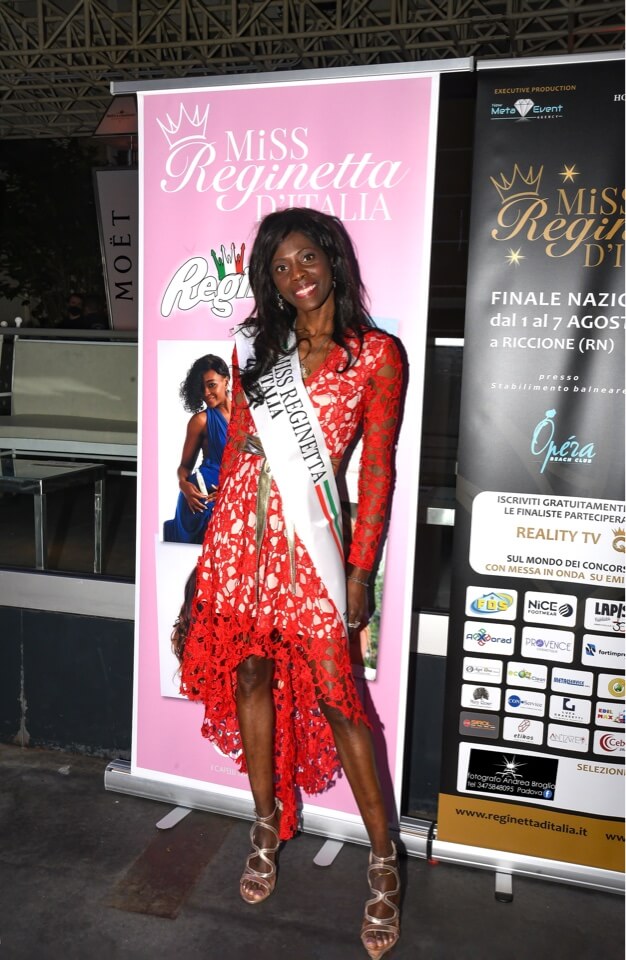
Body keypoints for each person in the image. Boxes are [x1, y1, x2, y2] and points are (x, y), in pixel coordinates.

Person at [175, 208, 404, 960]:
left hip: (311, 548)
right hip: (240, 538)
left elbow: (377, 473)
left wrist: (361, 572)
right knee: (249, 677)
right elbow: (238, 449)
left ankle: (383, 858)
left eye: (306, 258)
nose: (296, 275)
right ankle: (265, 826)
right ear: (268, 282)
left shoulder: (376, 356)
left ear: (332, 259)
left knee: (341, 698)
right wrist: (209, 558)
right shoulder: (259, 353)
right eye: (279, 267)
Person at [163, 355, 231, 544]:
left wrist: (230, 491)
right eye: (201, 388)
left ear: (226, 380)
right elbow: (184, 467)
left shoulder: (249, 415)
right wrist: (183, 485)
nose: (206, 393)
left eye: (211, 385)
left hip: (234, 498)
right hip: (199, 505)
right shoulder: (200, 421)